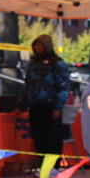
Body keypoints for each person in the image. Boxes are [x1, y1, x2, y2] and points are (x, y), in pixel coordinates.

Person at [20, 34, 71, 167]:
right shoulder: (32, 64)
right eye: (35, 46)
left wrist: (58, 106)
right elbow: (27, 86)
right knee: (39, 137)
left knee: (52, 137)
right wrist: (21, 105)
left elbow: (63, 86)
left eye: (39, 45)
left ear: (46, 46)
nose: (37, 48)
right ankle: (43, 165)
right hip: (35, 106)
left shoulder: (57, 63)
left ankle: (54, 166)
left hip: (50, 106)